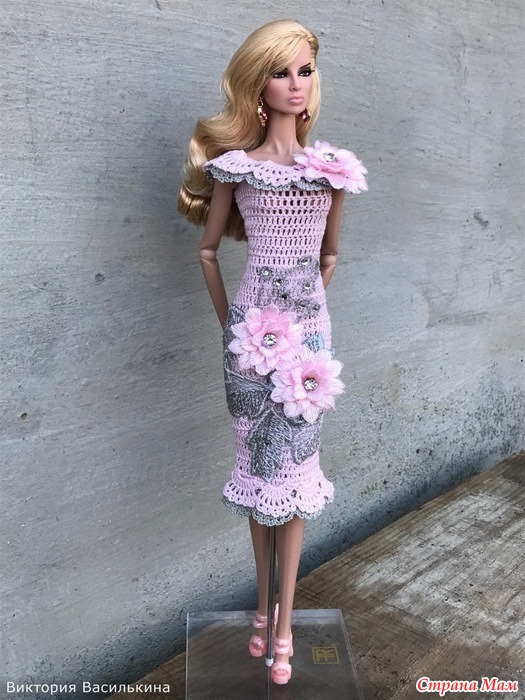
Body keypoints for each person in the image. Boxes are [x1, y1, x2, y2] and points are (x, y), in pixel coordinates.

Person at [178, 19, 367, 685]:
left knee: (298, 479)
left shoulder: (330, 172)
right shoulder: (238, 169)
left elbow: (329, 256)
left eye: (304, 70)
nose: (295, 84)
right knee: (259, 475)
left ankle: (284, 627)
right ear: (257, 85)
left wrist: (306, 309)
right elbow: (207, 251)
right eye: (281, 72)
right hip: (249, 348)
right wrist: (232, 325)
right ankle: (261, 613)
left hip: (309, 353)